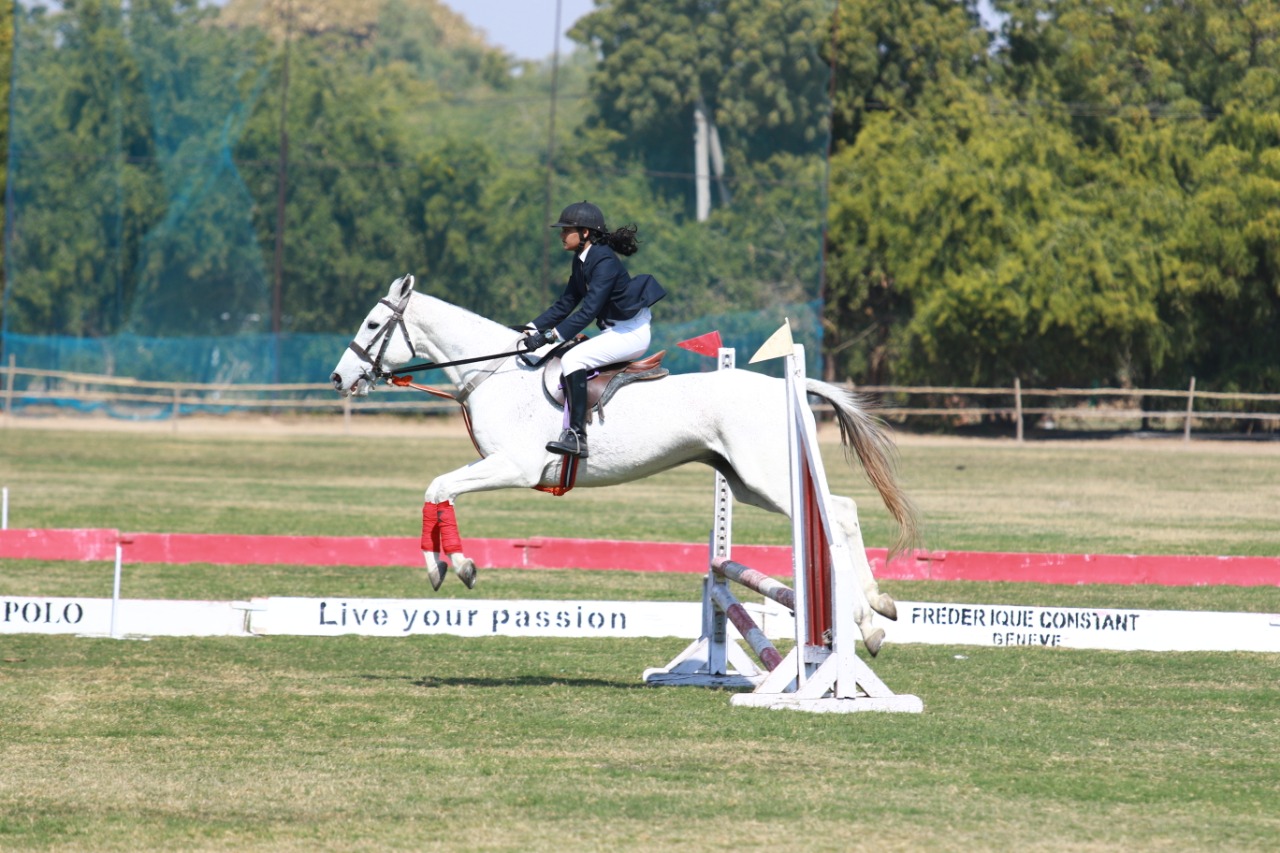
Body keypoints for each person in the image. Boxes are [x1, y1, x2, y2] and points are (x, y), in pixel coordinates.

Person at [523, 201, 666, 458]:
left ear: (585, 233)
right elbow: (566, 302)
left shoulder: (604, 262)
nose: (561, 235)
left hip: (631, 333)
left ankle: (577, 436)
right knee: (568, 352)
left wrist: (549, 337)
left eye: (567, 230)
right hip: (615, 331)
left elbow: (588, 311)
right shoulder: (581, 260)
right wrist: (529, 328)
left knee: (573, 358)